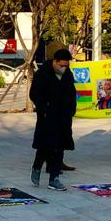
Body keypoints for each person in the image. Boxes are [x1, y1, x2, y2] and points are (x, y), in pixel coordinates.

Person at [30, 49, 77, 191]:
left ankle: (54, 179)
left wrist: (71, 110)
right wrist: (44, 107)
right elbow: (34, 94)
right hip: (47, 117)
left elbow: (72, 93)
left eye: (66, 66)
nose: (64, 68)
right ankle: (37, 167)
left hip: (63, 117)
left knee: (59, 147)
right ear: (55, 62)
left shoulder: (68, 75)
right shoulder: (42, 74)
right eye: (62, 65)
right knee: (45, 146)